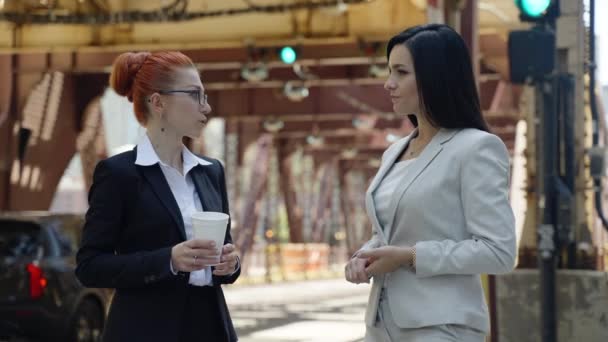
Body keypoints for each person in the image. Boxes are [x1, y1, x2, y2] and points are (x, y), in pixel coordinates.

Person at [344, 24, 517, 342]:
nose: (388, 84)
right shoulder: (394, 152)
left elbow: (499, 252)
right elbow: (388, 233)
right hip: (381, 326)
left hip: (441, 328)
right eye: (389, 71)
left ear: (435, 77)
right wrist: (365, 256)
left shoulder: (476, 148)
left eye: (401, 72)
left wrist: (410, 256)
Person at [75, 51, 240, 342]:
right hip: (145, 328)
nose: (207, 106)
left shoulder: (211, 171)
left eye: (205, 95)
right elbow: (90, 266)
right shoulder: (119, 174)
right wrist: (168, 260)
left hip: (211, 325)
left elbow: (224, 251)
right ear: (158, 102)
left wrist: (231, 263)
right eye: (195, 95)